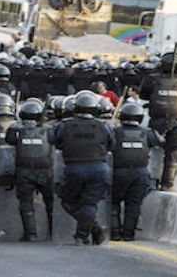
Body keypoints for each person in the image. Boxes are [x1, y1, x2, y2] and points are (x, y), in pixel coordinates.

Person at [52, 91, 114, 245]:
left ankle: (89, 231)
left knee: (67, 199)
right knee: (89, 203)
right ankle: (85, 233)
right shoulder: (103, 126)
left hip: (75, 168)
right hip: (99, 168)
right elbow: (111, 144)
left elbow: (57, 142)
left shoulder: (65, 125)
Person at [138, 51, 177, 190]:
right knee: (173, 153)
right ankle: (167, 183)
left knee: (151, 151)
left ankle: (151, 180)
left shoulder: (151, 78)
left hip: (156, 121)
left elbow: (143, 95)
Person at [109, 102, 162, 241]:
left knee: (113, 202)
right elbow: (159, 143)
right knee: (133, 205)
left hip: (117, 172)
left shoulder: (114, 132)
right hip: (140, 173)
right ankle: (128, 234)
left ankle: (115, 233)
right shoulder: (148, 133)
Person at [5, 99, 54, 241]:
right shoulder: (48, 130)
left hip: (24, 171)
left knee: (26, 202)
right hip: (45, 171)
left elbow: (9, 140)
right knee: (50, 202)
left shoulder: (15, 130)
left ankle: (30, 234)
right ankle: (52, 232)